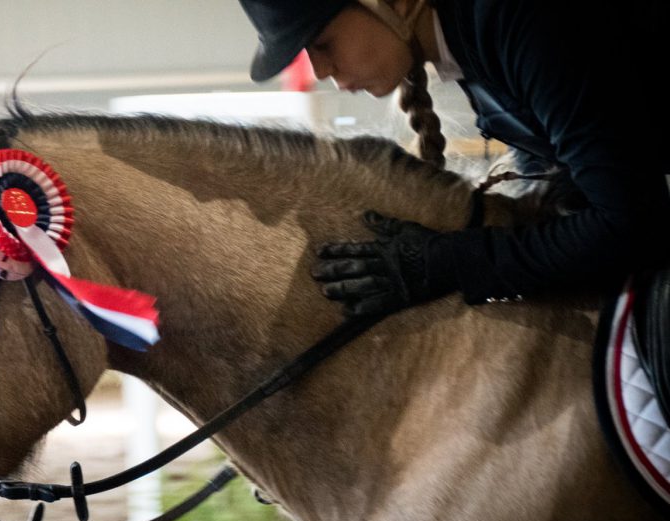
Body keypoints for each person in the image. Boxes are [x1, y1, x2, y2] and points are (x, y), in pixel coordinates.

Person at [238, 0, 670, 316]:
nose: (321, 72)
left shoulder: (518, 18)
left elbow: (628, 222)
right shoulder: (468, 45)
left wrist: (447, 262)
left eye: (323, 43)